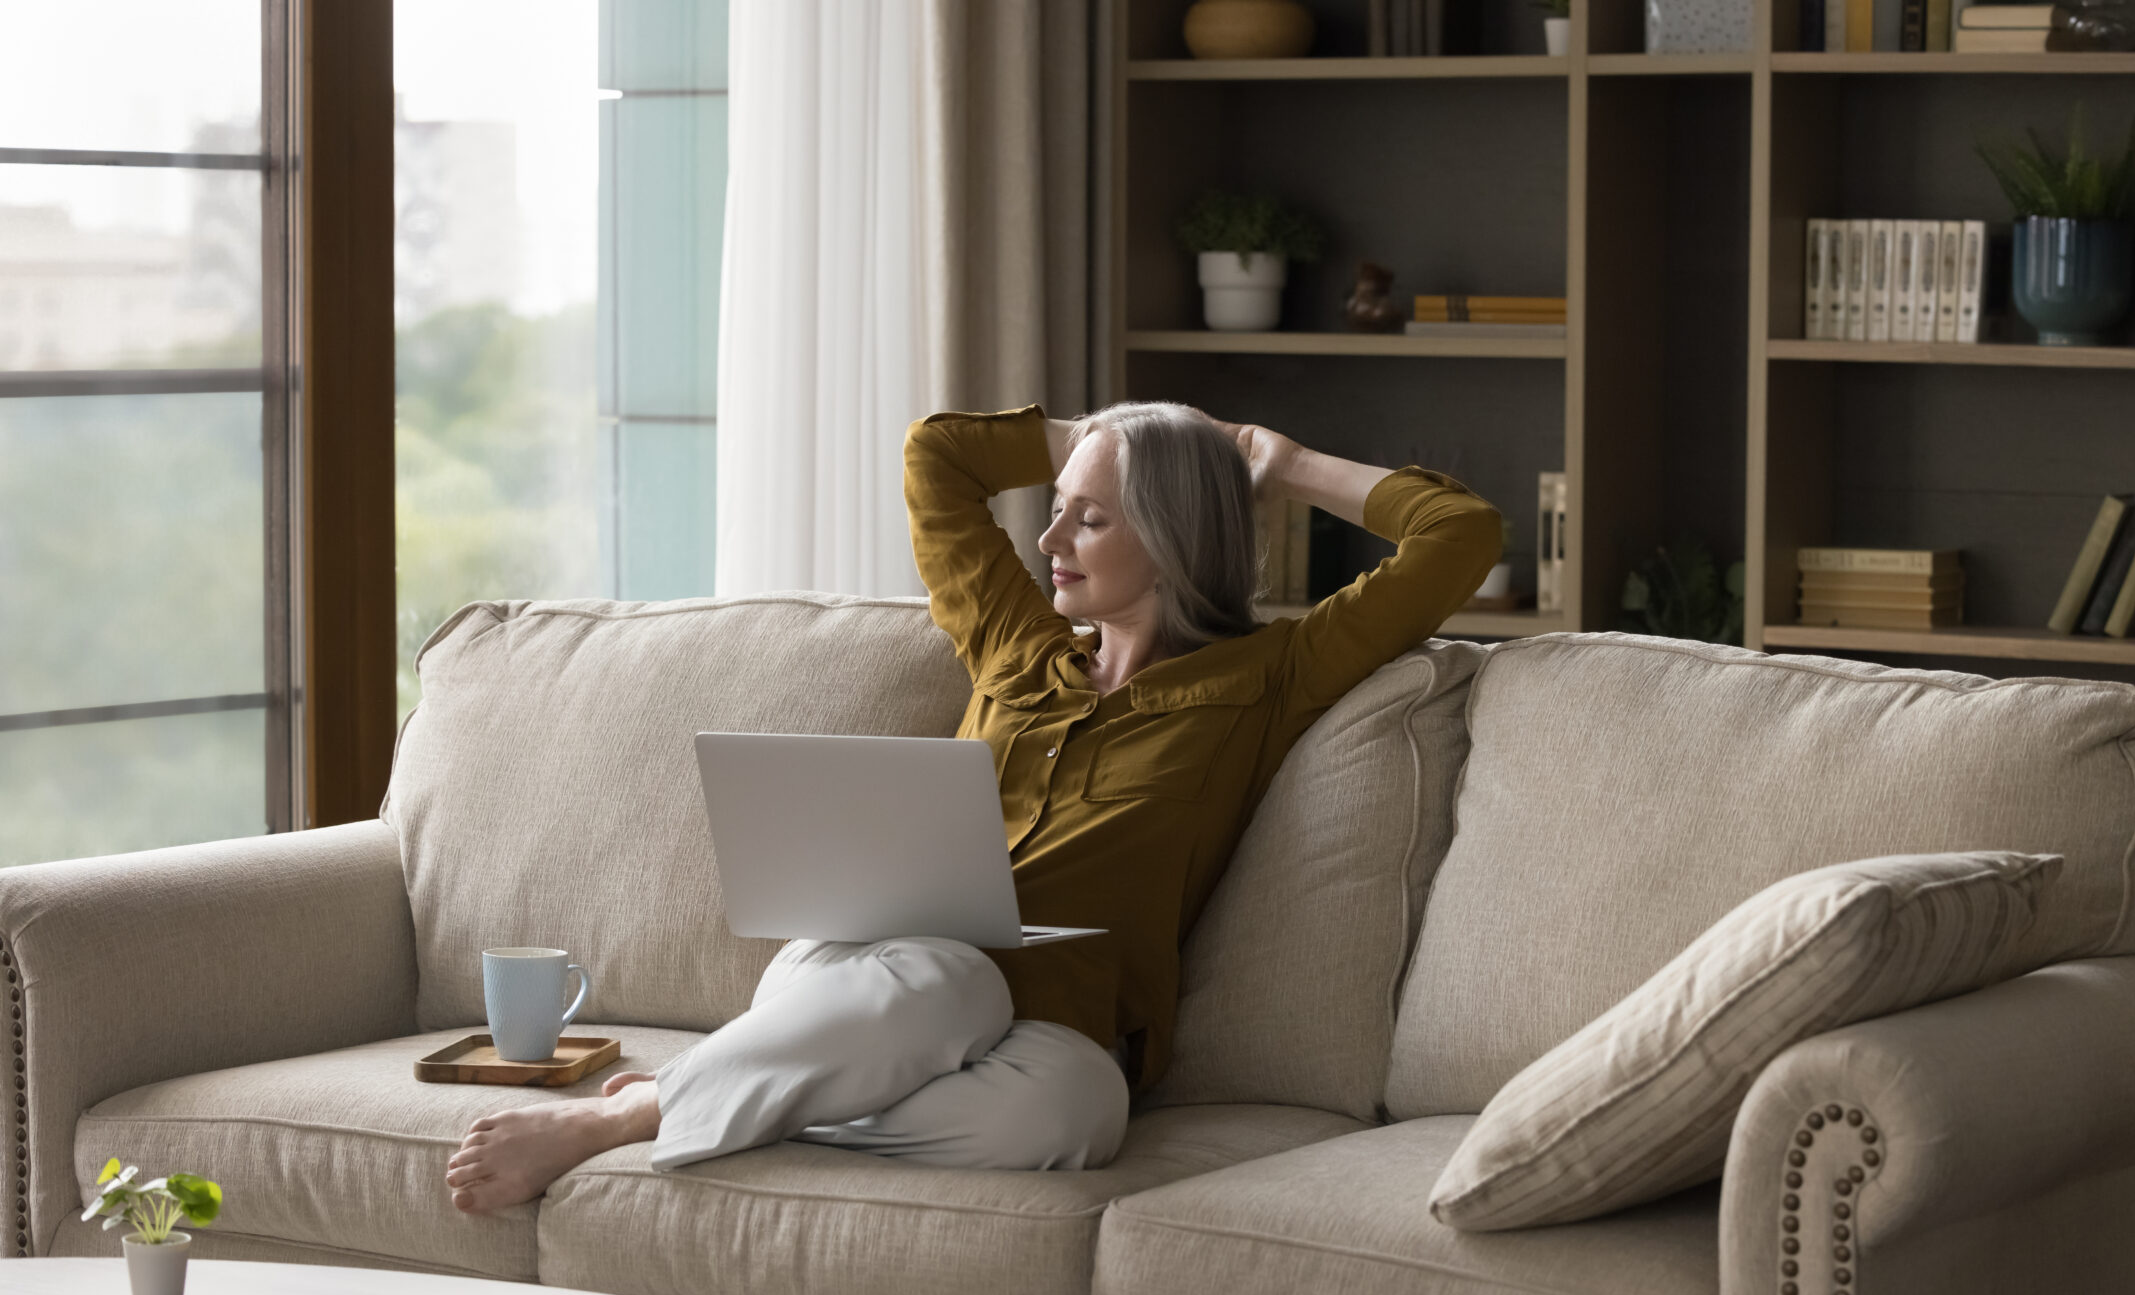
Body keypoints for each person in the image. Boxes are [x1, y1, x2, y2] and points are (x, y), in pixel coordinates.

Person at [446, 401, 1503, 1212]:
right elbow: (937, 457)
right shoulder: (1017, 644)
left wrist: (1278, 465)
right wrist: (1092, 439)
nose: (1052, 539)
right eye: (1057, 510)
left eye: (1090, 519)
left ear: (1176, 539)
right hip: (874, 978)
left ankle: (765, 1104)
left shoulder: (1267, 677)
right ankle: (627, 1113)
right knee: (950, 976)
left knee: (1078, 1114)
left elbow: (1457, 533)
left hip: (1055, 1025)